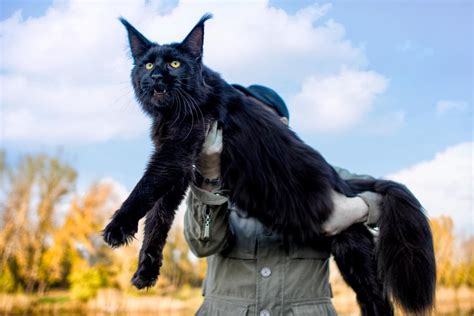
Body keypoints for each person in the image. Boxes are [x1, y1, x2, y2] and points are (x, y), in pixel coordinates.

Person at [184, 85, 381, 316]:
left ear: (282, 124)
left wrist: (358, 207)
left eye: (253, 112)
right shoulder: (215, 177)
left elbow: (397, 202)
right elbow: (203, 242)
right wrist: (209, 177)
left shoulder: (324, 176)